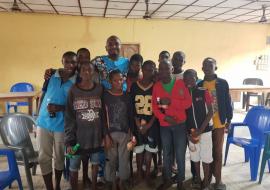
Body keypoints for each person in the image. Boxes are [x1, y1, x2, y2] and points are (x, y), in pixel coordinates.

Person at [91, 36, 130, 184]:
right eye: (110, 44)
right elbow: (82, 67)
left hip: (123, 102)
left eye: (116, 44)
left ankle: (122, 177)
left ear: (121, 46)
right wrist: (55, 71)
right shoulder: (98, 60)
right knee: (106, 142)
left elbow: (140, 70)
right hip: (105, 102)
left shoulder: (127, 62)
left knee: (123, 148)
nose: (113, 46)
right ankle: (106, 175)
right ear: (106, 47)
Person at [37, 51, 77, 190]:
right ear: (62, 61)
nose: (70, 65)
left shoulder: (77, 81)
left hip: (62, 125)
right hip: (43, 123)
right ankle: (49, 187)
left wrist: (60, 108)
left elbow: (76, 106)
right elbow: (42, 96)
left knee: (59, 157)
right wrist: (37, 116)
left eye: (73, 62)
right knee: (43, 157)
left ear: (77, 63)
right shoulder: (51, 75)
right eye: (67, 61)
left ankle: (57, 184)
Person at [152, 60, 192, 190]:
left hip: (180, 124)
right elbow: (156, 106)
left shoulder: (181, 84)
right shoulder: (157, 87)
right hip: (165, 126)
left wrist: (171, 102)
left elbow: (187, 103)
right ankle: (168, 179)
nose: (163, 71)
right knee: (167, 153)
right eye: (161, 69)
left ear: (172, 69)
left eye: (166, 68)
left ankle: (180, 181)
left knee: (180, 154)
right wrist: (165, 117)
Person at [65, 62, 105, 190]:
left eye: (90, 70)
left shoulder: (99, 89)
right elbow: (69, 116)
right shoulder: (73, 90)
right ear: (79, 72)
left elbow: (104, 113)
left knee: (95, 164)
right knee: (74, 167)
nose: (87, 72)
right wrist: (70, 140)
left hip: (95, 136)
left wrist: (104, 135)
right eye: (84, 70)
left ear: (93, 72)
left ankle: (93, 187)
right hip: (78, 138)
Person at [197, 57, 233, 190]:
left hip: (219, 124)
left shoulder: (223, 83)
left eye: (210, 66)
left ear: (215, 68)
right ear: (202, 68)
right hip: (205, 125)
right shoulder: (199, 84)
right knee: (206, 153)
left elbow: (227, 103)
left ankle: (218, 180)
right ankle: (206, 179)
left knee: (217, 153)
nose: (207, 68)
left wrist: (229, 119)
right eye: (205, 66)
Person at [103, 69, 134, 190]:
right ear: (110, 81)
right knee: (110, 158)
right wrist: (105, 134)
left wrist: (131, 131)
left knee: (124, 158)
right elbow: (102, 116)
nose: (118, 82)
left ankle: (122, 181)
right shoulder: (105, 95)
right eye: (115, 80)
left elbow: (130, 114)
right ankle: (111, 181)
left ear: (124, 80)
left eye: (120, 80)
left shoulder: (127, 96)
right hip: (110, 133)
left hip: (125, 133)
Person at [183, 69, 214, 190]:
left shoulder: (204, 92)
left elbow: (211, 111)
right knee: (194, 156)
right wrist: (188, 133)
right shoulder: (183, 95)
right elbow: (183, 115)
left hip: (205, 131)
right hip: (191, 133)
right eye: (186, 79)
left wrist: (200, 130)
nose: (189, 81)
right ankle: (198, 177)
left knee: (206, 156)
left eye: (191, 78)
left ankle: (206, 180)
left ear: (197, 78)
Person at [130, 60, 157, 187]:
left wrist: (149, 125)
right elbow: (132, 107)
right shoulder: (135, 86)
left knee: (149, 150)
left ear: (154, 71)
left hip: (151, 124)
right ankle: (139, 173)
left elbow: (158, 108)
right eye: (146, 69)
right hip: (138, 124)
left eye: (151, 70)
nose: (148, 72)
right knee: (139, 150)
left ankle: (147, 174)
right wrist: (138, 124)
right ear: (142, 70)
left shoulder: (156, 86)